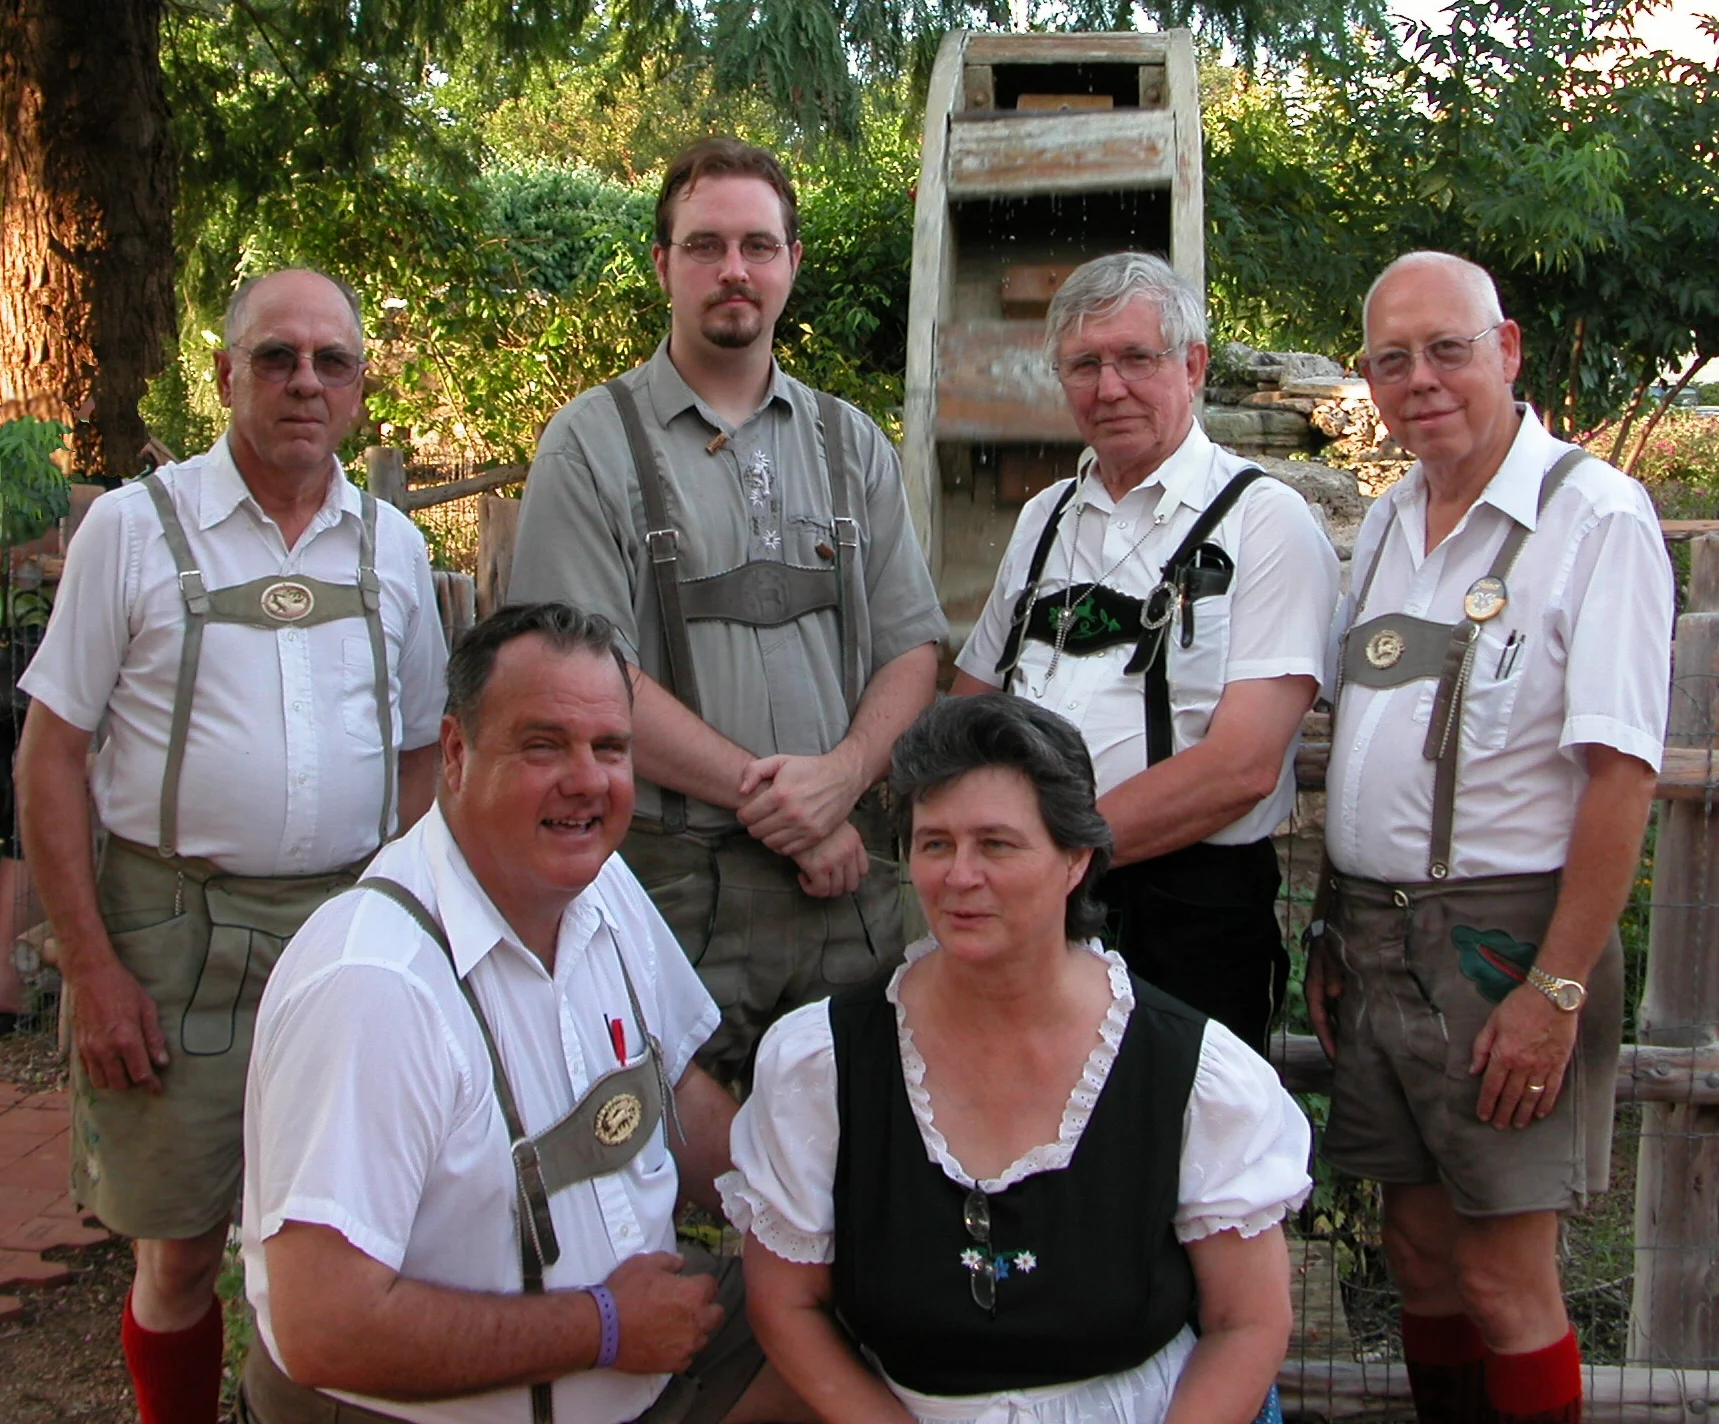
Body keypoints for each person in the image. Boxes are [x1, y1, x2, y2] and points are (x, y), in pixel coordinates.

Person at [14, 268, 448, 1424]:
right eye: (276, 356)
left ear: (359, 388)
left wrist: (406, 927)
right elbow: (51, 757)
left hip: (346, 933)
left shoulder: (394, 551)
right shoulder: (132, 531)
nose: (305, 381)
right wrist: (95, 966)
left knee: (356, 1229)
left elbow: (421, 753)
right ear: (223, 374)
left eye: (331, 361)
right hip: (174, 937)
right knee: (178, 1248)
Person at [240, 602, 809, 1424]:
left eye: (609, 748)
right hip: (420, 1410)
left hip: (650, 1353)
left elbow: (676, 1090)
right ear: (456, 753)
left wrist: (818, 1229)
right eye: (543, 745)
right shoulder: (373, 982)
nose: (587, 781)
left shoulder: (598, 881)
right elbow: (323, 1327)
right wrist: (603, 1328)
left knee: (864, 1337)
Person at [1305, 251, 1673, 1424]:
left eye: (1447, 349)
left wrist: (1556, 987)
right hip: (1374, 941)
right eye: (1391, 359)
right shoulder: (1388, 523)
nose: (1420, 379)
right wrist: (1331, 925)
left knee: (1506, 1274)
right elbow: (1363, 739)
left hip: (1504, 945)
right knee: (1419, 1254)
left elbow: (1622, 773)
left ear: (1506, 349)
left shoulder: (1596, 517)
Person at [722, 693, 1311, 1424]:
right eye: (935, 844)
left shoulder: (1187, 1069)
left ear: (1075, 860)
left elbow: (1246, 1321)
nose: (959, 876)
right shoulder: (825, 1062)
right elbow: (786, 1303)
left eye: (996, 844)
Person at [508, 137, 946, 1080]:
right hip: (672, 887)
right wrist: (793, 810)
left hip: (850, 885)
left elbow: (912, 648)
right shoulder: (590, 446)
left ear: (792, 262)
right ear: (662, 264)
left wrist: (843, 779)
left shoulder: (853, 444)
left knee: (857, 1138)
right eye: (704, 246)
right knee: (664, 1141)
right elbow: (580, 687)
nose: (733, 270)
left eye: (758, 245)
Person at [952, 252, 1339, 1053]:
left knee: (1177, 1126)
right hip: (1034, 908)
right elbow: (970, 707)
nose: (1109, 388)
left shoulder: (1264, 521)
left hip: (1189, 919)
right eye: (1084, 365)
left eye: (1135, 358)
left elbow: (1242, 768)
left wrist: (1054, 854)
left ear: (1191, 365)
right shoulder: (1045, 519)